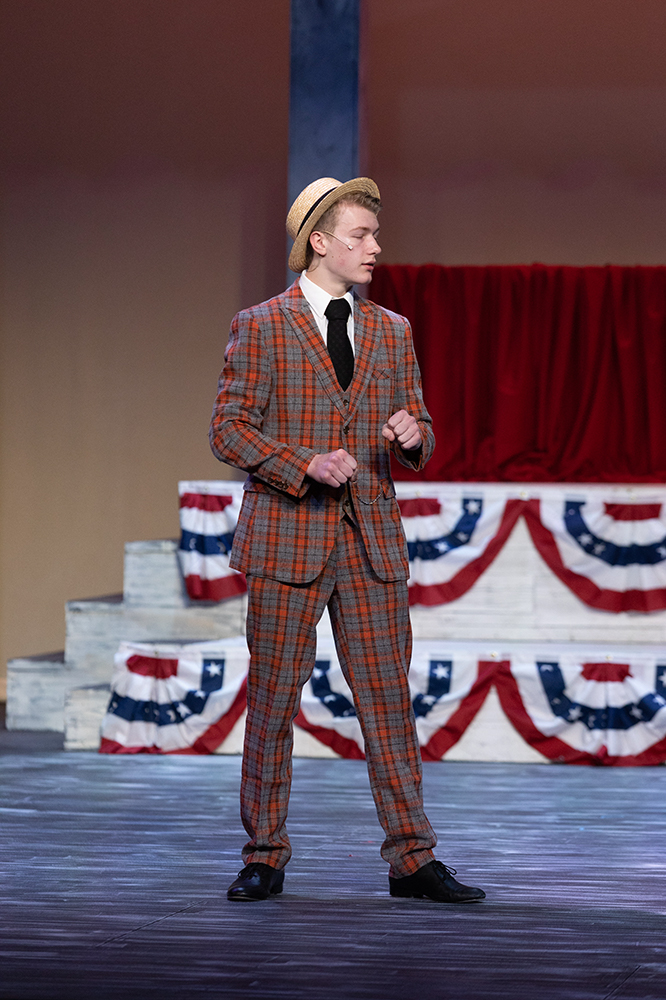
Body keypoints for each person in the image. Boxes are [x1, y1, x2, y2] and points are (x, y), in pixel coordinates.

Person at [209, 176, 485, 905]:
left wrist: (413, 433)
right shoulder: (262, 325)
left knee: (388, 705)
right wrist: (301, 463)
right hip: (288, 541)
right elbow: (228, 430)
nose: (375, 248)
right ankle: (264, 855)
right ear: (320, 241)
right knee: (274, 704)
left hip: (370, 544)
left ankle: (412, 859)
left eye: (375, 235)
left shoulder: (392, 330)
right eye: (361, 235)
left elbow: (421, 427)